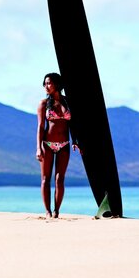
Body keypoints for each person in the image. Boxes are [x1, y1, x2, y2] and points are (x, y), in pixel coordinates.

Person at [36, 72, 80, 218]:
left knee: (60, 179)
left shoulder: (68, 102)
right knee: (45, 179)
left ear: (57, 84)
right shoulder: (43, 104)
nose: (46, 86)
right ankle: (47, 211)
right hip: (47, 144)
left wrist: (75, 141)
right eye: (45, 83)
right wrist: (38, 148)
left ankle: (56, 211)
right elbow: (41, 127)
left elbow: (73, 124)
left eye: (49, 83)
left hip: (64, 144)